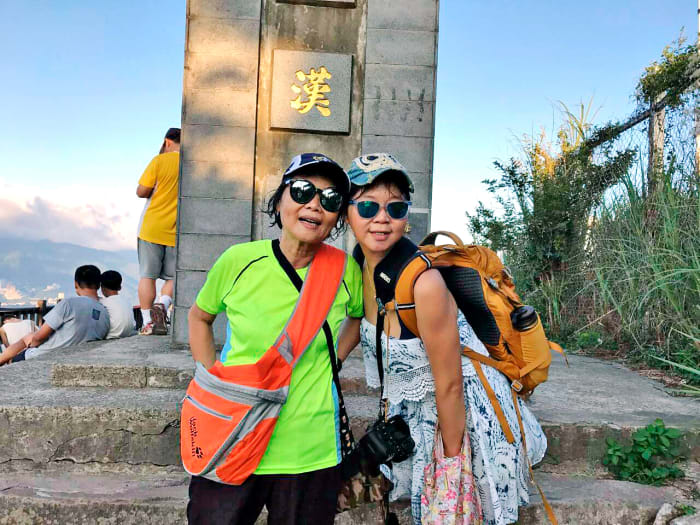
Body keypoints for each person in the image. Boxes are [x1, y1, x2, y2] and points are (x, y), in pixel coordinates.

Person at [339, 153, 547, 525]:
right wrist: (329, 364)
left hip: (461, 406)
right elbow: (359, 316)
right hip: (414, 404)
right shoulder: (359, 262)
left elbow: (450, 385)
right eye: (368, 206)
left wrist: (452, 468)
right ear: (346, 212)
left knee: (453, 501)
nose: (382, 218)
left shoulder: (425, 283)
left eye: (395, 208)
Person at [186, 153, 363, 525]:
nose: (314, 204)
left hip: (309, 448)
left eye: (330, 199)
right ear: (279, 201)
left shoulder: (344, 270)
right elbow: (200, 317)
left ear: (336, 218)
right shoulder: (239, 260)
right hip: (233, 435)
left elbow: (358, 316)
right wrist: (211, 381)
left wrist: (336, 359)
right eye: (302, 191)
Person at [0, 265, 109, 365]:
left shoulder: (69, 304)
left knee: (27, 339)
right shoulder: (104, 312)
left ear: (76, 284)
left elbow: (39, 337)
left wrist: (31, 344)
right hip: (78, 358)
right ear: (98, 285)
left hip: (47, 356)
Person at [136, 127, 180, 335]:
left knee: (148, 275)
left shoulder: (159, 161)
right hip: (177, 230)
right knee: (174, 275)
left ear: (167, 142)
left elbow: (141, 191)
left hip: (151, 228)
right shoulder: (191, 164)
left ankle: (148, 322)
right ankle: (163, 304)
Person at [99, 270, 136, 339]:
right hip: (130, 333)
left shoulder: (103, 302)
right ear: (120, 287)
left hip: (112, 336)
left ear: (102, 287)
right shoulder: (126, 300)